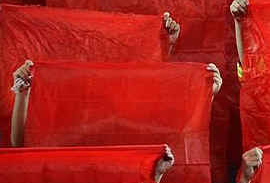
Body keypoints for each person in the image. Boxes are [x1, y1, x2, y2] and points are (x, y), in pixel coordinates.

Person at [9, 61, 221, 147]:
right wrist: (23, 94)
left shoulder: (139, 127)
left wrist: (205, 96)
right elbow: (22, 145)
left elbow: (182, 143)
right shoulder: (74, 131)